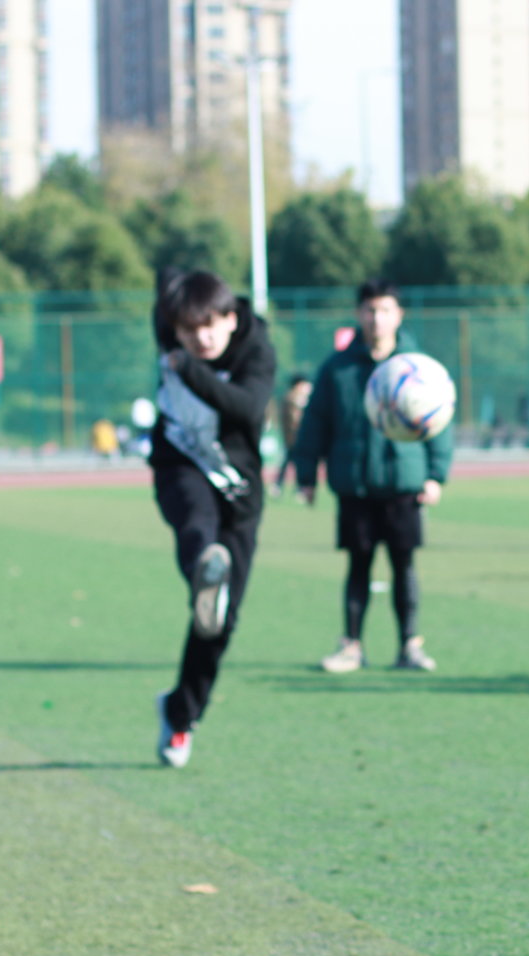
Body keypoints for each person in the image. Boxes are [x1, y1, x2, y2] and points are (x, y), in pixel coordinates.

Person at [147, 269, 277, 767]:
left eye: (209, 327)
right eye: (187, 331)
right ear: (173, 326)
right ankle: (205, 564)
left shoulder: (257, 349)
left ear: (230, 318)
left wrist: (186, 367)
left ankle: (180, 714)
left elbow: (248, 408)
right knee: (195, 524)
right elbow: (166, 290)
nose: (200, 338)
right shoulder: (170, 326)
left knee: (219, 623)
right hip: (180, 463)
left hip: (240, 488)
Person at [291, 279, 453, 673]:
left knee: (404, 566)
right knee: (358, 566)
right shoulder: (338, 368)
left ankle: (409, 646)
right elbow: (315, 421)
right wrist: (307, 475)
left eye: (384, 310)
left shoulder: (419, 368)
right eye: (369, 310)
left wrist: (435, 475)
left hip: (404, 483)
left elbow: (440, 421)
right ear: (358, 313)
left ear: (399, 315)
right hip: (355, 482)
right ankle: (351, 646)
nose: (376, 318)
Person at [268, 373, 312, 496]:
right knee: (296, 463)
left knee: (290, 462)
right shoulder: (293, 399)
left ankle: (282, 486)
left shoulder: (293, 398)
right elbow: (295, 421)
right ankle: (297, 487)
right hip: (295, 438)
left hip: (293, 438)